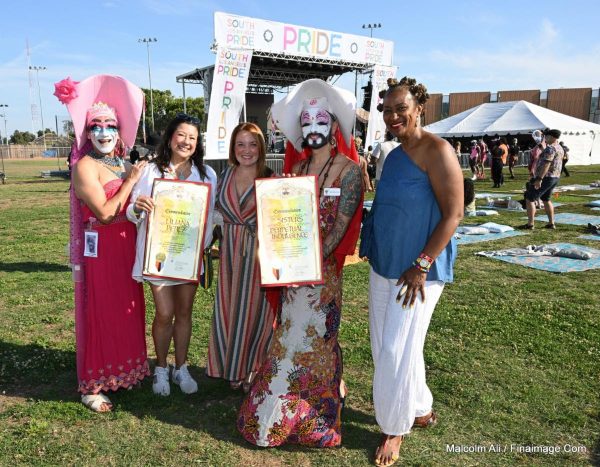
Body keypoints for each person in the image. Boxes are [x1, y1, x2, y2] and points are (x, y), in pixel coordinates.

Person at [238, 78, 363, 447]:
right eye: (305, 122)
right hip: (295, 279)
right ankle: (273, 416)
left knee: (318, 343)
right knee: (287, 340)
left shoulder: (349, 171)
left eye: (320, 121)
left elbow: (340, 226)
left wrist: (307, 265)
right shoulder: (296, 171)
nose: (312, 128)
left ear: (335, 126)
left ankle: (315, 416)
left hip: (322, 280)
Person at [359, 76, 463, 466]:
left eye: (400, 108)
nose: (393, 115)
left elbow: (454, 214)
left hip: (417, 272)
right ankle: (420, 406)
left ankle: (394, 428)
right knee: (388, 345)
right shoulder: (393, 152)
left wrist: (421, 265)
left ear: (419, 108)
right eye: (386, 110)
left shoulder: (438, 150)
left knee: (395, 348)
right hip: (385, 264)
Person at [54, 74, 150, 412]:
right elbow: (107, 212)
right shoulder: (85, 167)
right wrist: (131, 182)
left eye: (110, 125)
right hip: (103, 247)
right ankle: (93, 384)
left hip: (128, 245)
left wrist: (141, 201)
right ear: (86, 131)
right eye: (96, 126)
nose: (104, 133)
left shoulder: (123, 163)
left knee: (128, 309)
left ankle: (124, 370)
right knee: (102, 311)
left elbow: (128, 208)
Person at [126, 113, 217, 396]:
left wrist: (207, 242)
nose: (186, 142)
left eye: (192, 138)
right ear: (170, 137)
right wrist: (138, 207)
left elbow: (210, 215)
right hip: (160, 255)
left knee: (185, 312)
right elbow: (131, 209)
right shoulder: (150, 171)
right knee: (164, 313)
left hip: (188, 257)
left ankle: (181, 368)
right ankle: (162, 368)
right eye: (181, 135)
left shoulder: (207, 175)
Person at [206, 122, 276, 392]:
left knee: (257, 313)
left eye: (253, 144)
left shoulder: (271, 178)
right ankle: (231, 367)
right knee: (229, 309)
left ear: (261, 147)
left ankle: (254, 368)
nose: (247, 150)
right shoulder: (223, 177)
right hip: (229, 255)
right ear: (233, 148)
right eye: (240, 144)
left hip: (259, 255)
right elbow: (213, 212)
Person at [521, 129, 564, 230]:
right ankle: (551, 223)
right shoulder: (559, 148)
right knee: (546, 199)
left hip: (546, 177)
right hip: (555, 177)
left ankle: (530, 224)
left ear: (552, 137)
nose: (545, 139)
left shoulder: (551, 148)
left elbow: (547, 164)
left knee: (530, 198)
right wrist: (542, 147)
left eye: (547, 137)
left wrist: (539, 179)